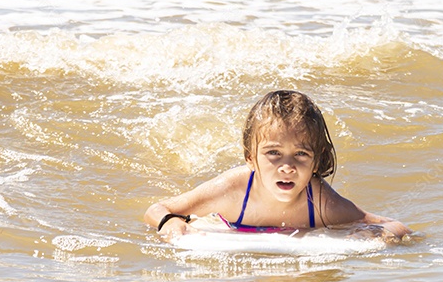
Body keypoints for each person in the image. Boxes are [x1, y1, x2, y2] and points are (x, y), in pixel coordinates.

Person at [144, 90, 411, 241]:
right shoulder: (233, 189)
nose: (287, 167)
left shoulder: (318, 201)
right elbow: (157, 209)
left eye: (301, 155)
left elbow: (393, 225)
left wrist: (375, 236)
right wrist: (169, 223)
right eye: (273, 153)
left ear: (316, 161)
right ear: (250, 157)